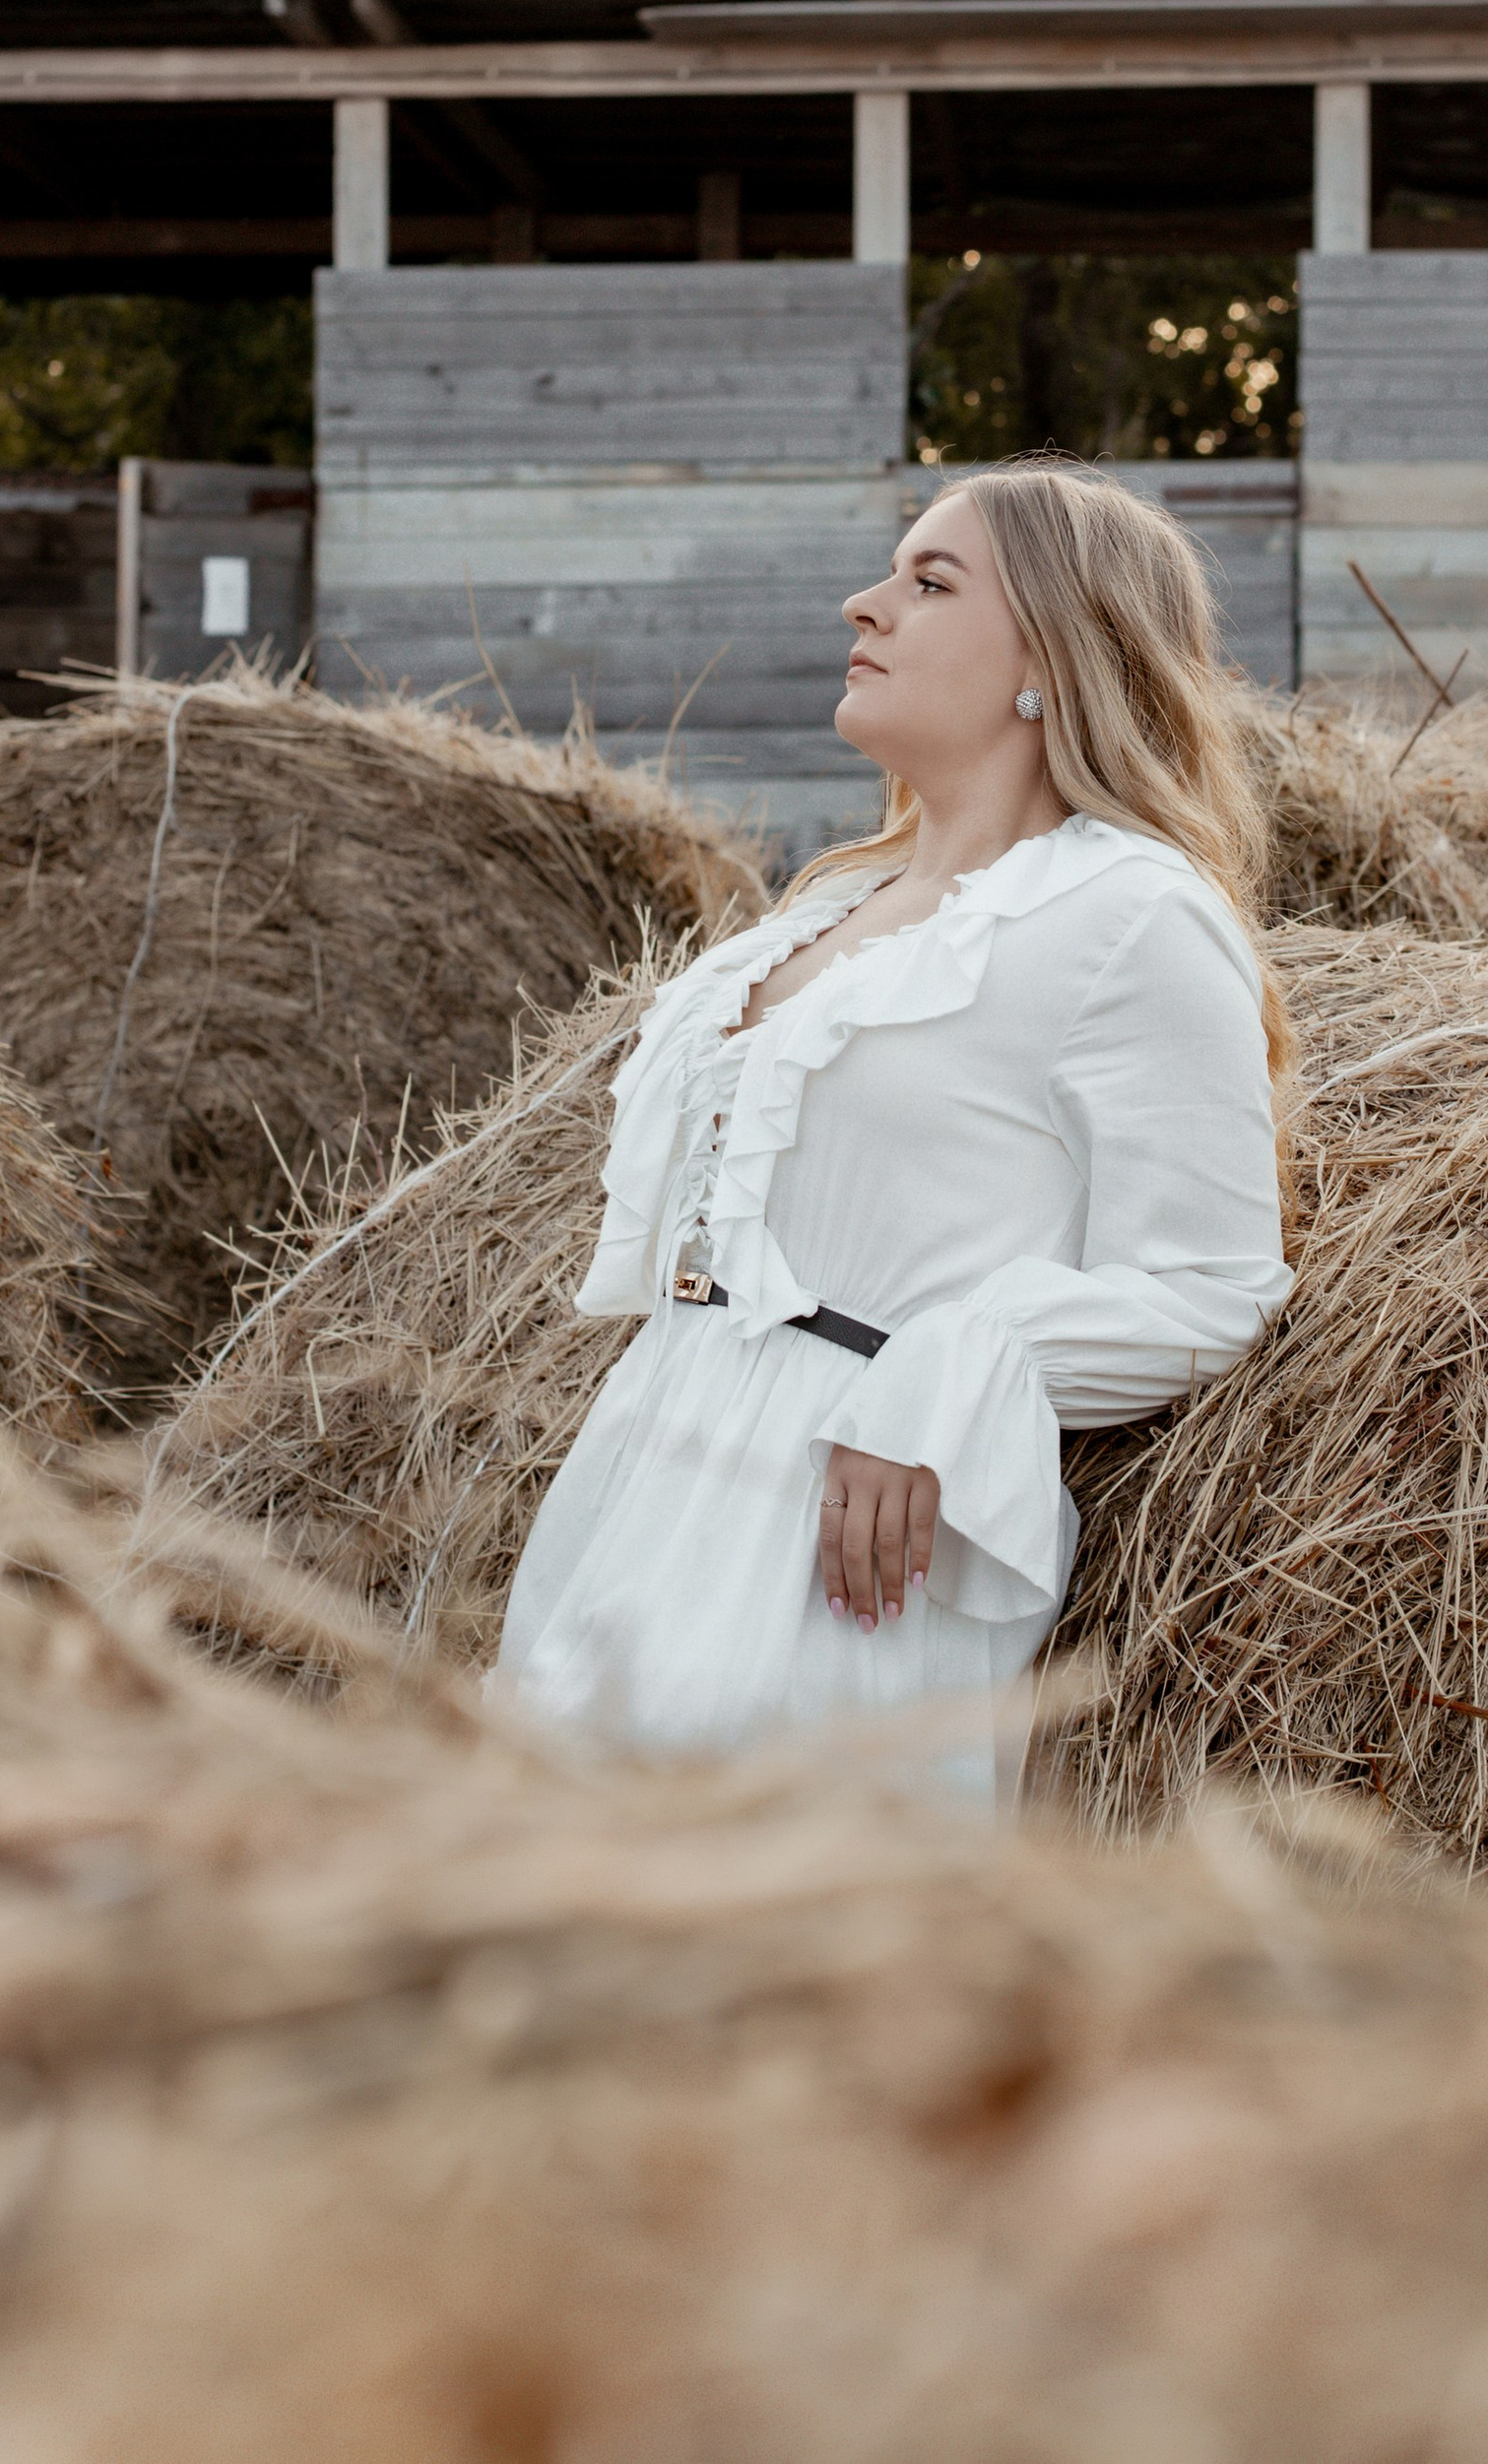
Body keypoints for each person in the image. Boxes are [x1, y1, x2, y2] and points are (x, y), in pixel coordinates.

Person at [494, 458, 1292, 1807]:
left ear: (1054, 653)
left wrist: (953, 1369)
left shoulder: (1132, 916)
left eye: (930, 583)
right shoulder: (829, 907)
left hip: (851, 1524)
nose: (863, 606)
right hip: (646, 1471)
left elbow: (1212, 1284)